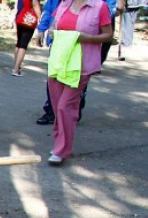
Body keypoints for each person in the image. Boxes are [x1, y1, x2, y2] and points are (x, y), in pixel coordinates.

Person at [46, 0, 113, 166]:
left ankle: (61, 150)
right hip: (58, 62)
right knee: (57, 107)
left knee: (65, 107)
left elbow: (108, 35)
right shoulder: (64, 3)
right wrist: (51, 30)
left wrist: (87, 38)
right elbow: (55, 23)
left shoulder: (99, 7)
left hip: (81, 66)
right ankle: (59, 143)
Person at [11, 0, 42, 76]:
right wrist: (40, 19)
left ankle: (16, 65)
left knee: (19, 44)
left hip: (20, 17)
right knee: (23, 45)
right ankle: (16, 69)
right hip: (28, 20)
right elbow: (35, 5)